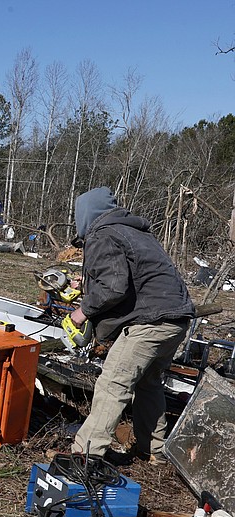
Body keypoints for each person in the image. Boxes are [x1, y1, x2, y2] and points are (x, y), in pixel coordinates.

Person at [68, 186, 195, 464]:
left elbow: (114, 286)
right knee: (148, 384)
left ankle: (84, 455)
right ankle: (154, 450)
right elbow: (135, 277)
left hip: (151, 322)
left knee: (113, 384)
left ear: (86, 214)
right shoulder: (133, 231)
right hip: (175, 319)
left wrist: (83, 311)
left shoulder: (102, 233)